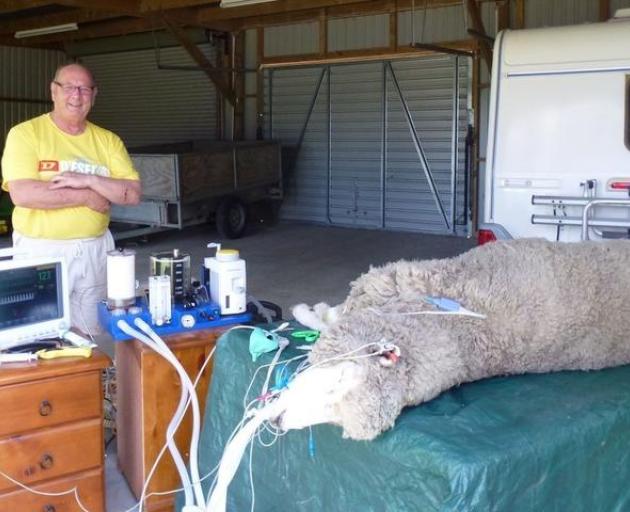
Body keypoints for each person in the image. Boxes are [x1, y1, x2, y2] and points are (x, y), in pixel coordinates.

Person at [1, 62, 141, 336]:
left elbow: (132, 193)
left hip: (94, 250)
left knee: (91, 332)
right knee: (39, 333)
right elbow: (23, 194)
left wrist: (90, 180)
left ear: (94, 95)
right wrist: (88, 197)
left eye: (84, 89)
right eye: (68, 87)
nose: (76, 95)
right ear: (54, 91)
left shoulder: (108, 141)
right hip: (40, 250)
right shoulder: (26, 134)